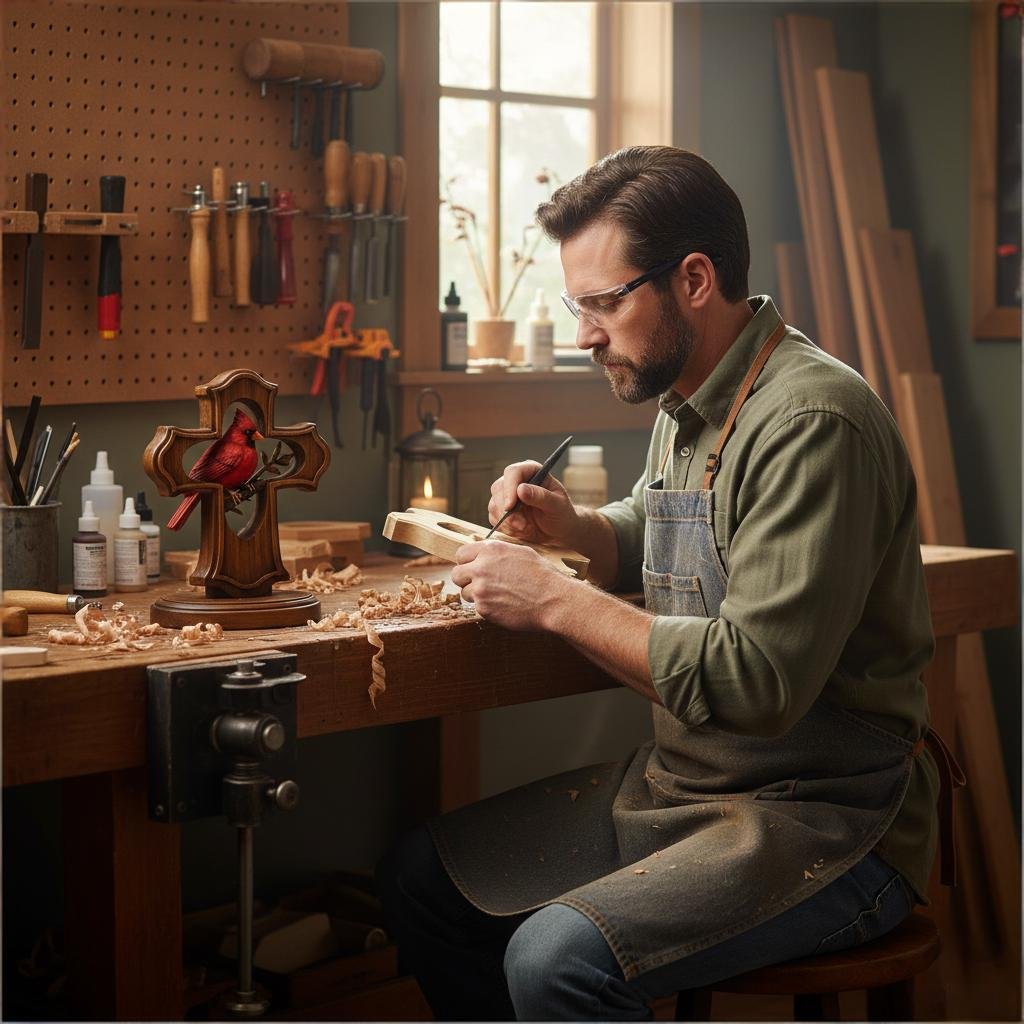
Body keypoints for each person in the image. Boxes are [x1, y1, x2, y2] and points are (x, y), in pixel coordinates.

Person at [376, 146, 946, 1021]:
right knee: (426, 879)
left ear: (693, 279)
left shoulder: (812, 421)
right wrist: (573, 531)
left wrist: (555, 598)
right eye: (578, 305)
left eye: (605, 303)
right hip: (688, 790)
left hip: (829, 817)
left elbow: (755, 684)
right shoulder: (690, 396)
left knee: (554, 962)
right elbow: (664, 528)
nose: (584, 334)